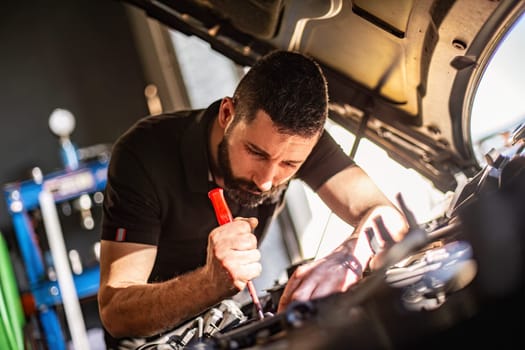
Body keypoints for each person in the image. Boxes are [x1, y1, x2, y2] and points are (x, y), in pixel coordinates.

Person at [97, 50, 408, 348]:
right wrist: (208, 282)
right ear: (227, 114)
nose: (266, 180)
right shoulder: (144, 155)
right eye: (256, 153)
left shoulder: (297, 143)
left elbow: (387, 214)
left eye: (289, 166)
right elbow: (115, 311)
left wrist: (350, 257)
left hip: (225, 323)